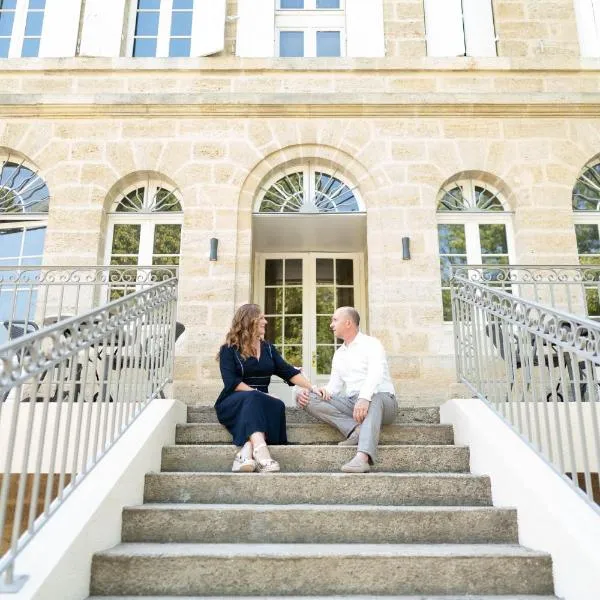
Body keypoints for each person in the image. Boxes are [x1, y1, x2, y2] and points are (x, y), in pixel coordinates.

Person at [215, 303, 319, 473]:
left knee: (277, 405)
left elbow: (288, 371)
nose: (265, 321)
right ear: (249, 321)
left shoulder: (269, 349)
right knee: (256, 399)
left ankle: (246, 453)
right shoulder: (229, 350)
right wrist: (263, 395)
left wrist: (312, 387)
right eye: (261, 318)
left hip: (259, 402)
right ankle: (262, 453)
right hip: (233, 400)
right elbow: (231, 383)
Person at [296, 306, 397, 473]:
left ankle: (362, 458)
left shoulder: (371, 344)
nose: (331, 324)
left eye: (335, 320)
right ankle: (355, 430)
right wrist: (312, 392)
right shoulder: (340, 354)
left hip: (384, 402)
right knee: (307, 397)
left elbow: (376, 373)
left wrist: (365, 398)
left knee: (374, 397)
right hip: (353, 403)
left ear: (348, 323)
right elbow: (333, 388)